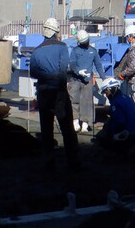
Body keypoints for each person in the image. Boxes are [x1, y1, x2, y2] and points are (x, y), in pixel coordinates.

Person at [29, 17, 79, 169]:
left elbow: (33, 73)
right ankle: (73, 161)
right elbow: (63, 71)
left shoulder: (36, 51)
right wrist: (57, 80)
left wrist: (47, 76)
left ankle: (49, 161)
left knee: (46, 129)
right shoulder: (62, 47)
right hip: (59, 94)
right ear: (56, 32)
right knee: (67, 128)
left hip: (44, 94)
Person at [68, 29, 105, 133]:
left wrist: (104, 79)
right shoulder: (75, 50)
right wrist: (78, 72)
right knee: (74, 101)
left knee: (87, 103)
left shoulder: (93, 51)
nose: (86, 43)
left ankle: (85, 123)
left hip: (87, 81)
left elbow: (98, 65)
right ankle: (75, 122)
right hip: (76, 80)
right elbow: (72, 64)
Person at [93, 77, 135, 153]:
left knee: (104, 134)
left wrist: (107, 132)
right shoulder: (126, 98)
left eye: (106, 92)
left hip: (129, 135)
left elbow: (120, 122)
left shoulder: (116, 101)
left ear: (111, 89)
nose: (106, 95)